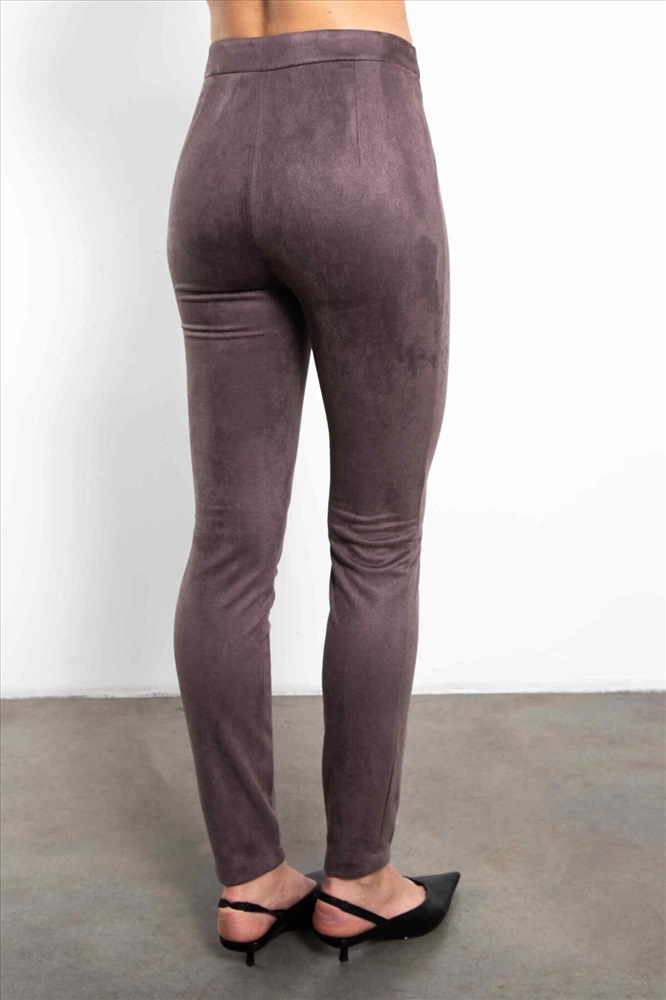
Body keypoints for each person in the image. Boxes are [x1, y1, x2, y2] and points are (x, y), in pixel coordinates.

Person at [166, 0, 459, 965]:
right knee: (378, 540)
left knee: (226, 551)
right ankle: (361, 880)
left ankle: (251, 880)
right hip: (356, 126)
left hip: (218, 138)